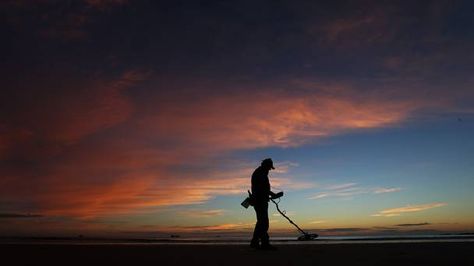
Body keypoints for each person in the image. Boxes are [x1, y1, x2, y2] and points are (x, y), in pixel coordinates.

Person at [250, 158, 283, 250]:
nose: (269, 170)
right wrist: (273, 194)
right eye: (269, 168)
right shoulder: (260, 173)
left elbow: (263, 189)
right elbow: (262, 189)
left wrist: (272, 195)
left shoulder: (260, 173)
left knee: (261, 222)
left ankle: (254, 242)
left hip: (260, 200)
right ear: (265, 165)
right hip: (260, 201)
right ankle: (264, 243)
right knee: (264, 223)